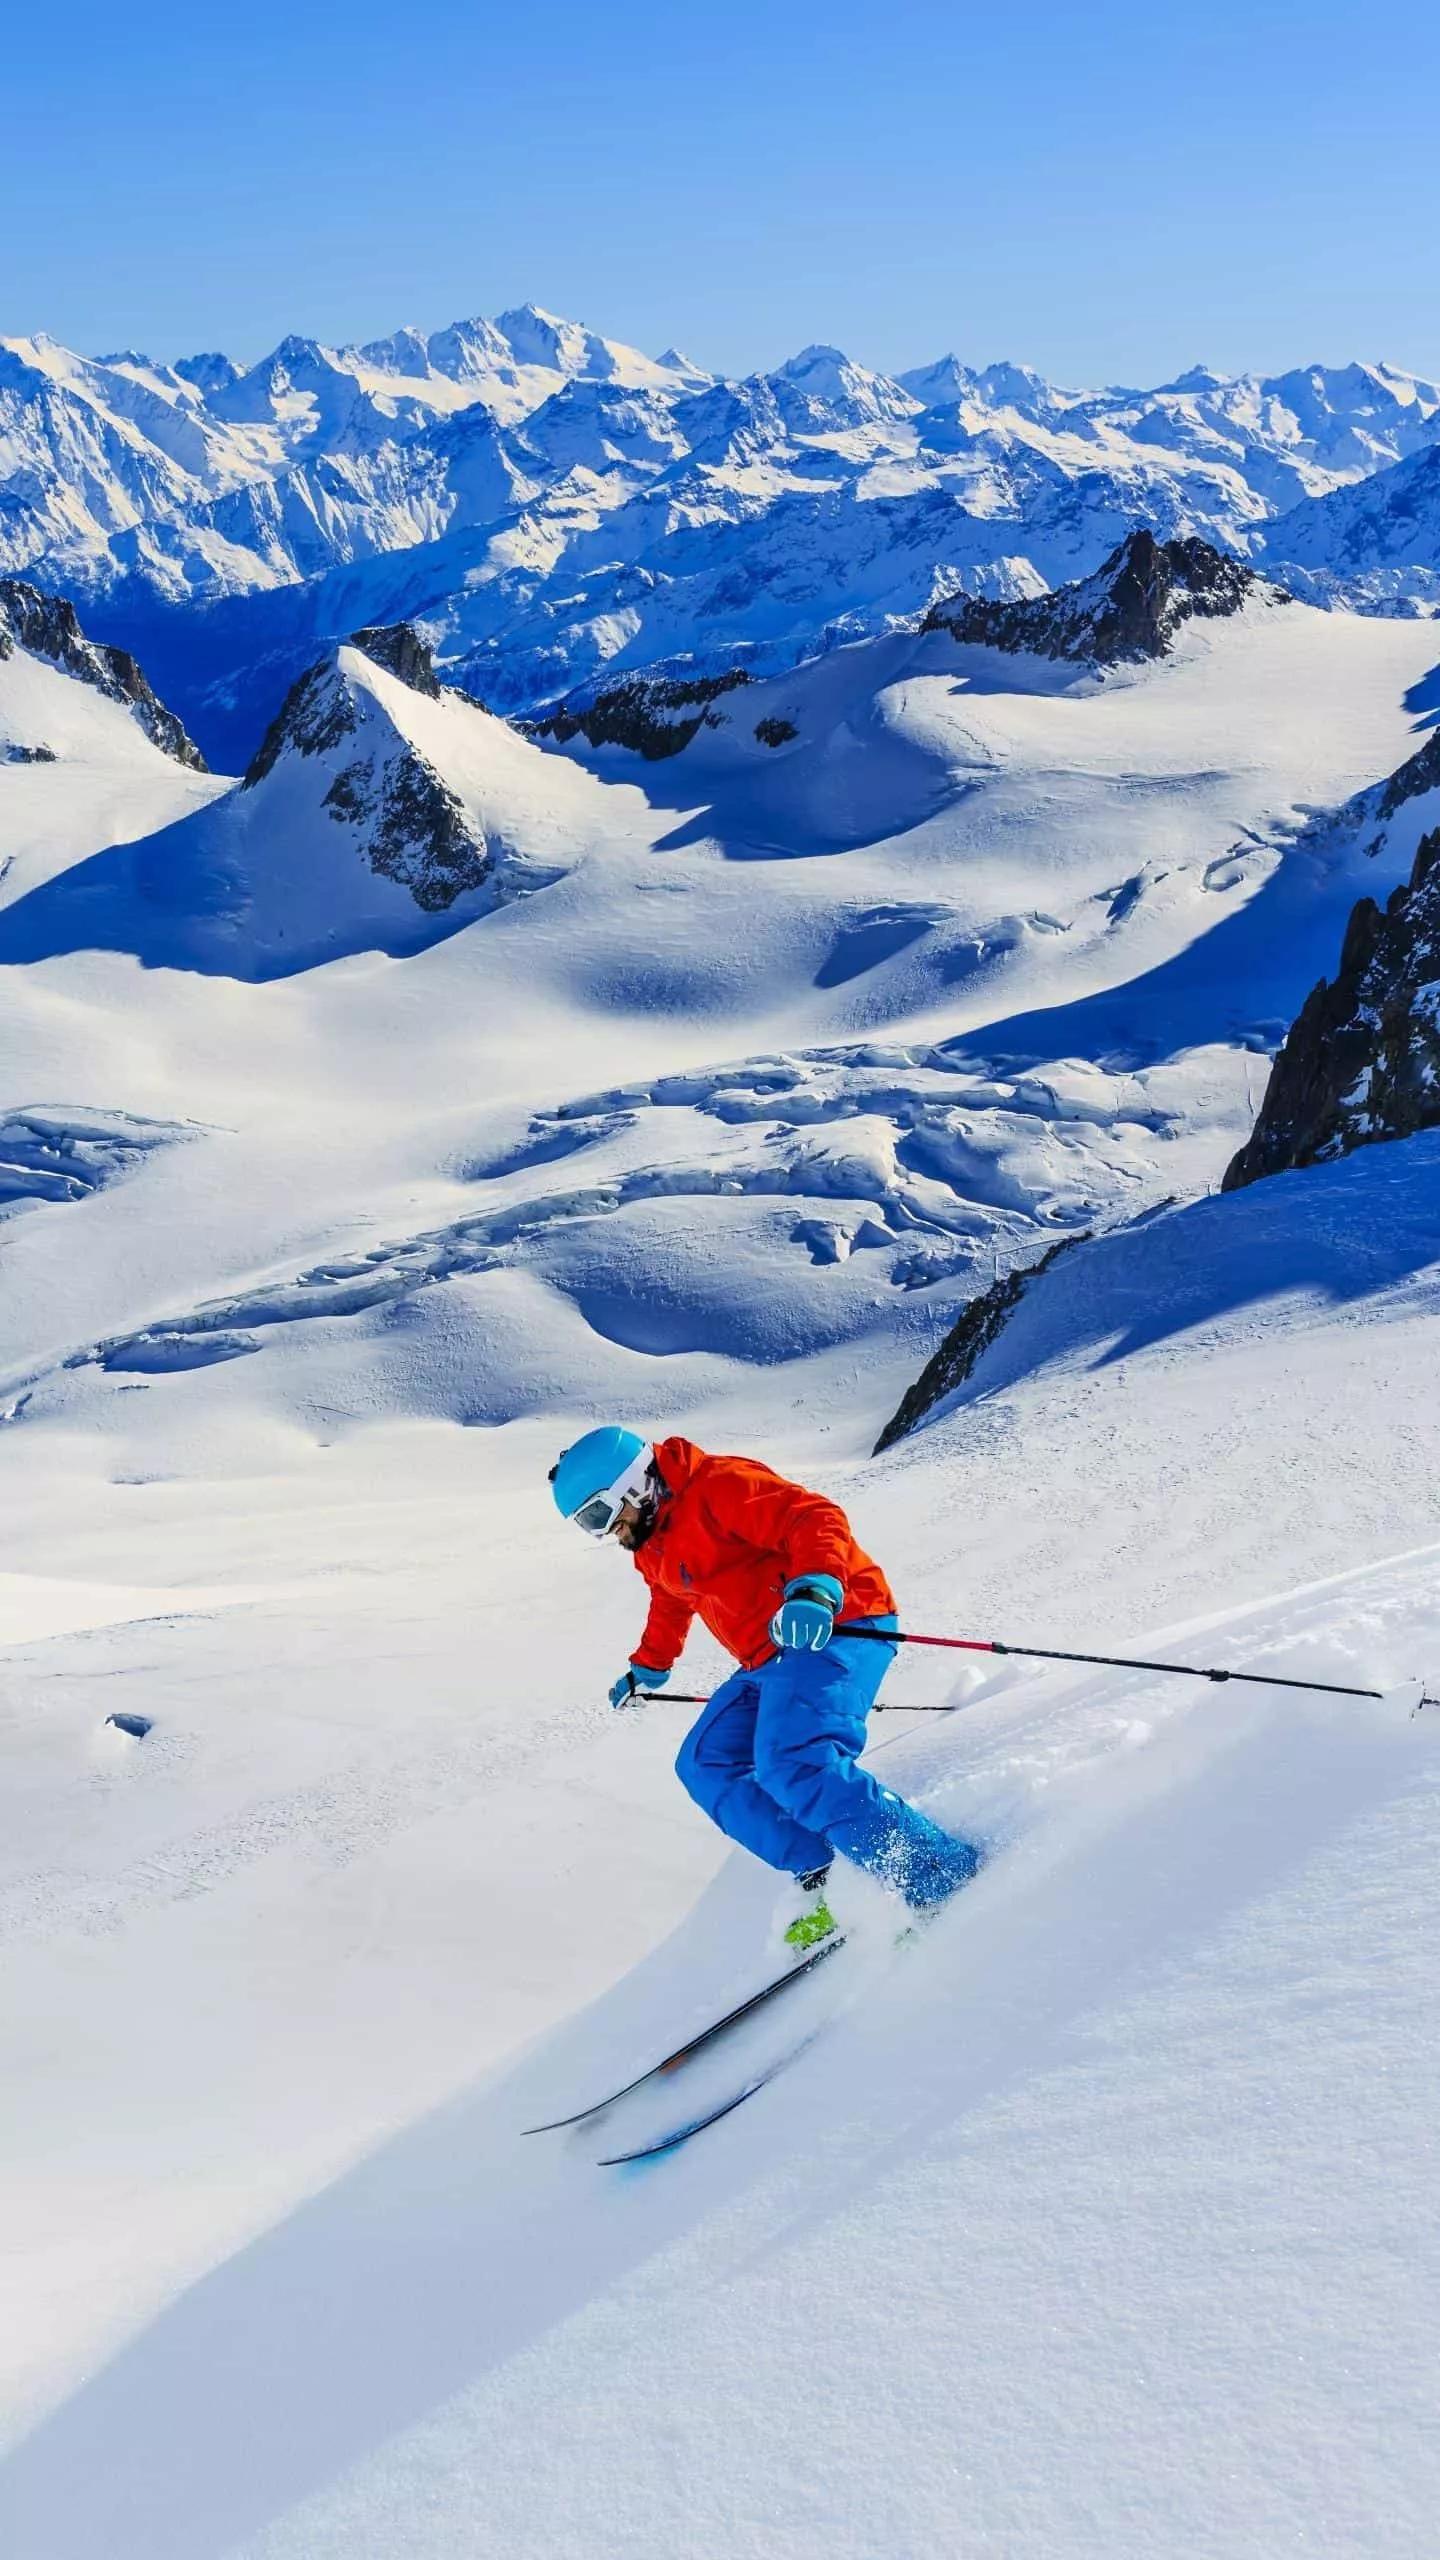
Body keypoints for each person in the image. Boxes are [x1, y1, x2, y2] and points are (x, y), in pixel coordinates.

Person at [550, 1427, 981, 1950]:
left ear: (633, 1486)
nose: (605, 1533)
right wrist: (649, 1666)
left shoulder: (719, 1485)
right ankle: (827, 1870)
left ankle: (938, 1879)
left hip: (839, 1623)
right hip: (767, 1656)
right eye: (586, 1525)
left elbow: (814, 1517)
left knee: (795, 1760)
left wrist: (815, 1587)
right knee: (705, 1764)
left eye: (599, 1515)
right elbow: (671, 1600)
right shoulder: (651, 1540)